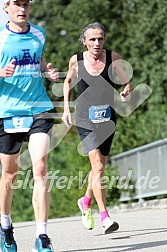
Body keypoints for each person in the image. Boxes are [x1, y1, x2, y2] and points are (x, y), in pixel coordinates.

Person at [62, 22, 131, 234]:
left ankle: (86, 201)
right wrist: (66, 108)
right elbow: (67, 81)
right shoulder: (77, 59)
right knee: (98, 168)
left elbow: (125, 81)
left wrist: (126, 89)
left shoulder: (113, 58)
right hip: (85, 117)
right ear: (84, 41)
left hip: (107, 117)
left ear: (105, 40)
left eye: (100, 38)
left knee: (99, 167)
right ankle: (105, 216)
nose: (96, 43)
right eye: (92, 39)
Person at [0, 0, 58, 251]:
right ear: (6, 8)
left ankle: (41, 237)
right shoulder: (0, 38)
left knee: (41, 168)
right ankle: (5, 227)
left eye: (26, 4)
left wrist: (48, 71)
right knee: (9, 175)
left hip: (38, 109)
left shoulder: (39, 34)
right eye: (16, 4)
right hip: (8, 112)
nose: (22, 9)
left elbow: (40, 58)